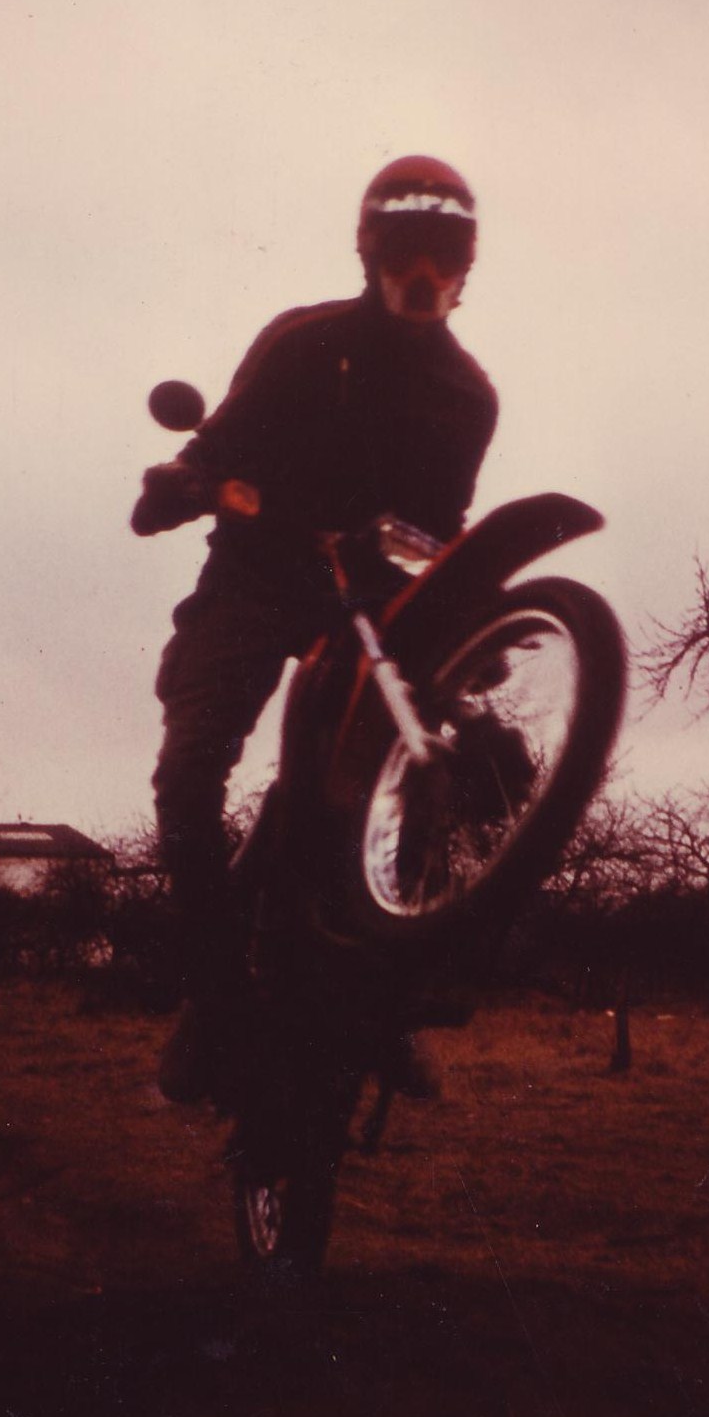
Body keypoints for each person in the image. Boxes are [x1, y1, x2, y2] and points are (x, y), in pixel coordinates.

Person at [131, 155, 498, 1099]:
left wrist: (465, 609)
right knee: (189, 768)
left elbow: (442, 527)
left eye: (443, 256)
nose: (423, 275)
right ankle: (215, 995)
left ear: (467, 267)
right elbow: (218, 441)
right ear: (370, 253)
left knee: (423, 760)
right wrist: (181, 481)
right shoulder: (304, 341)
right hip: (257, 574)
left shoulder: (468, 397)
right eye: (405, 253)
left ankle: (386, 993)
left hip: (370, 599)